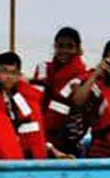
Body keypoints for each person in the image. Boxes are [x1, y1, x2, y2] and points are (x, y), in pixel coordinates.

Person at [30, 27, 90, 156]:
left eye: (70, 46)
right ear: (55, 47)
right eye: (60, 46)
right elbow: (32, 103)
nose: (64, 51)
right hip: (39, 137)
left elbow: (80, 117)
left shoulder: (84, 77)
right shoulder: (43, 69)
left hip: (66, 143)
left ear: (78, 49)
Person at [71, 39, 110, 158]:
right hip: (103, 151)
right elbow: (77, 101)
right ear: (104, 60)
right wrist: (96, 73)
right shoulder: (97, 85)